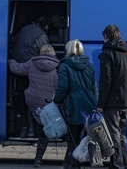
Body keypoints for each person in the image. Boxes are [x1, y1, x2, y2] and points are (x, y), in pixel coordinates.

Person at [8, 44, 60, 168]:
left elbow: (17, 69)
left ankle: (29, 129)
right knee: (44, 129)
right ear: (53, 53)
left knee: (32, 110)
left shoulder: (32, 62)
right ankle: (38, 158)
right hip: (48, 102)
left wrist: (11, 60)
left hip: (32, 100)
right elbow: (58, 86)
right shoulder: (57, 67)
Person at [97, 25, 127, 169]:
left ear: (106, 37)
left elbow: (105, 81)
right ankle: (126, 162)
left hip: (113, 101)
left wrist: (101, 104)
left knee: (114, 132)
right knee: (122, 133)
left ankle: (117, 164)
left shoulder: (107, 54)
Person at [53, 39, 98, 169]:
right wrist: (96, 105)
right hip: (89, 105)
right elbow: (94, 88)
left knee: (72, 138)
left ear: (68, 50)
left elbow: (63, 86)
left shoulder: (64, 65)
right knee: (86, 137)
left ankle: (74, 165)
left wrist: (57, 100)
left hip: (73, 105)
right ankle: (72, 162)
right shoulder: (88, 65)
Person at [11, 15, 51, 138]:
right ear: (46, 26)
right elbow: (45, 53)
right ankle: (34, 130)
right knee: (34, 102)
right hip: (33, 73)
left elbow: (13, 41)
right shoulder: (42, 35)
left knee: (22, 100)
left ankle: (24, 129)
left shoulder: (24, 29)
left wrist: (11, 62)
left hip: (19, 71)